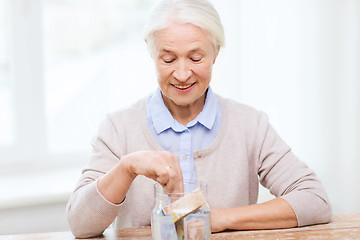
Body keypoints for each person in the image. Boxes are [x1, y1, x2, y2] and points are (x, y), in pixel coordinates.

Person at [66, 0, 332, 238]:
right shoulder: (118, 129)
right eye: (168, 59)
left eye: (195, 57)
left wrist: (223, 218)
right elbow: (80, 224)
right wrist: (127, 168)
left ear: (216, 53)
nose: (182, 74)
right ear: (152, 55)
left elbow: (314, 200)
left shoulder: (250, 125)